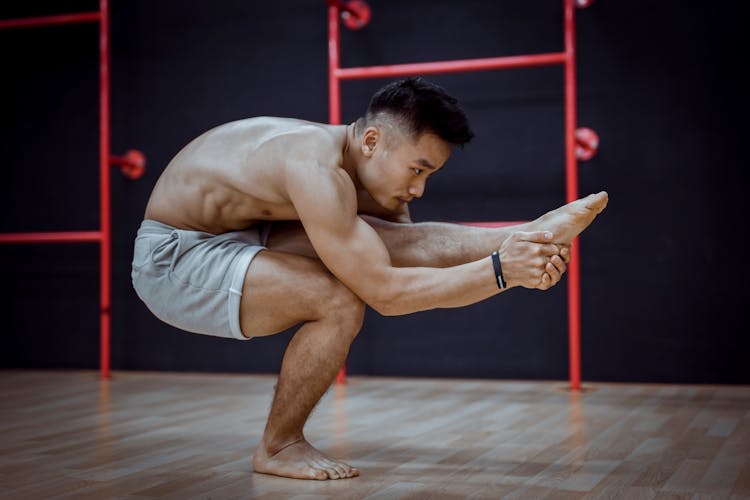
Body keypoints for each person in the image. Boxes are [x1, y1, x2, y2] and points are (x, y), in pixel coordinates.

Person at [131, 77, 608, 481]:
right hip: (174, 257)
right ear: (373, 142)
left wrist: (526, 245)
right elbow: (385, 294)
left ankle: (534, 227)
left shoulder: (357, 165)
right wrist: (504, 272)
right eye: (417, 170)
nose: (419, 189)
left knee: (386, 247)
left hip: (240, 234)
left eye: (429, 175)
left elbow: (408, 251)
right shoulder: (314, 168)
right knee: (336, 301)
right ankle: (278, 447)